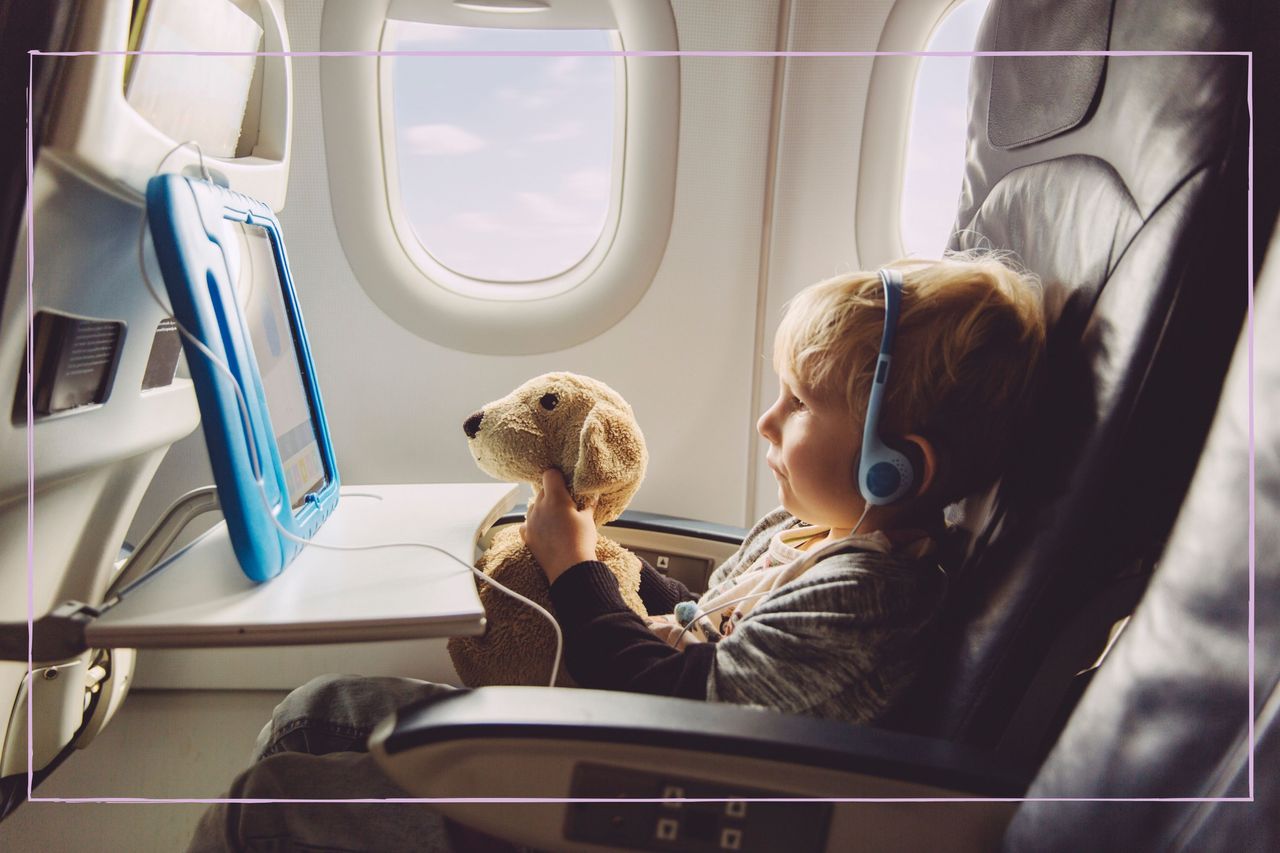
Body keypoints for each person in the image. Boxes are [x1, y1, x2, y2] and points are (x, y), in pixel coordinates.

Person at [188, 252, 1046, 851]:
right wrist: (613, 563)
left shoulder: (866, 596)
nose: (765, 421)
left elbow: (677, 702)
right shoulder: (812, 537)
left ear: (895, 465)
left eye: (798, 404)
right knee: (316, 707)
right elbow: (699, 626)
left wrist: (575, 570)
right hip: (632, 753)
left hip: (637, 803)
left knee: (255, 815)